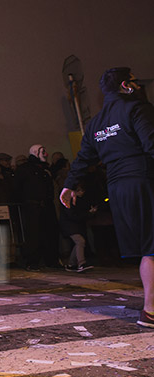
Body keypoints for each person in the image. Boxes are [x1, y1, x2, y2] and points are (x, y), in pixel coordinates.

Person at [61, 67, 154, 328]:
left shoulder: (96, 123)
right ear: (126, 85)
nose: (138, 86)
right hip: (142, 180)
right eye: (135, 82)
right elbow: (151, 143)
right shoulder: (137, 109)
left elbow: (83, 158)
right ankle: (150, 310)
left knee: (148, 248)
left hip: (117, 188)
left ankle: (151, 308)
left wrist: (68, 185)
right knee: (151, 247)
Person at [14, 144, 59, 271]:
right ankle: (33, 261)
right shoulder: (25, 169)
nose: (46, 154)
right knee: (34, 235)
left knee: (50, 233)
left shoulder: (45, 169)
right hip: (33, 207)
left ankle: (51, 260)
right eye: (42, 152)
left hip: (46, 206)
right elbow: (17, 188)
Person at [59, 182, 96, 273]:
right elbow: (72, 215)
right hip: (69, 225)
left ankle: (71, 264)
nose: (83, 193)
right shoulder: (68, 199)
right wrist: (88, 213)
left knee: (79, 242)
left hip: (73, 225)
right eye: (81, 190)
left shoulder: (76, 200)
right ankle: (81, 263)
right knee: (80, 241)